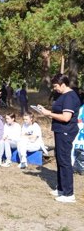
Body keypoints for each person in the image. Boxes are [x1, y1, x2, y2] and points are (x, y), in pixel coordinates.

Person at [39, 74, 81, 203]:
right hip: (60, 131)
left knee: (65, 161)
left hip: (66, 131)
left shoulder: (70, 97)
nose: (55, 89)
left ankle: (69, 194)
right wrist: (46, 111)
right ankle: (61, 189)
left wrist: (48, 113)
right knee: (60, 159)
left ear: (63, 84)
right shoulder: (64, 96)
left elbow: (66, 118)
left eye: (56, 86)